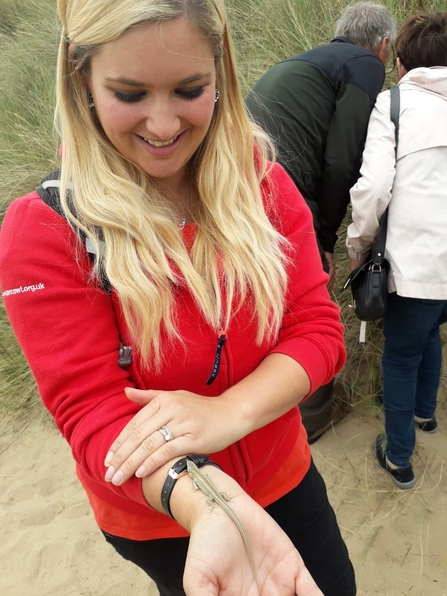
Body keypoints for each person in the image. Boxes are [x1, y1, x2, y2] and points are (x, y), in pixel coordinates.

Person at [0, 1, 355, 595]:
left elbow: (317, 328)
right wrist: (207, 502)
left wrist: (229, 411)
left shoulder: (261, 183)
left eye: (190, 89)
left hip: (285, 476)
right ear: (80, 78)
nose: (162, 126)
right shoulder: (46, 229)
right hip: (164, 514)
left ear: (222, 76)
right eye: (130, 94)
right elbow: (92, 412)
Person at [245, 1, 396, 445]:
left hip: (239, 183)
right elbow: (341, 156)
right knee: (312, 302)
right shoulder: (364, 63)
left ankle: (267, 401)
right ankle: (312, 416)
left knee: (269, 299)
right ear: (383, 45)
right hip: (282, 189)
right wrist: (326, 235)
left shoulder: (311, 61)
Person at [346, 12, 447, 490]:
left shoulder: (395, 104)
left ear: (402, 63)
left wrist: (357, 246)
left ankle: (399, 458)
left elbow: (372, 190)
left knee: (401, 356)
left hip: (414, 264)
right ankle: (425, 415)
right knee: (428, 336)